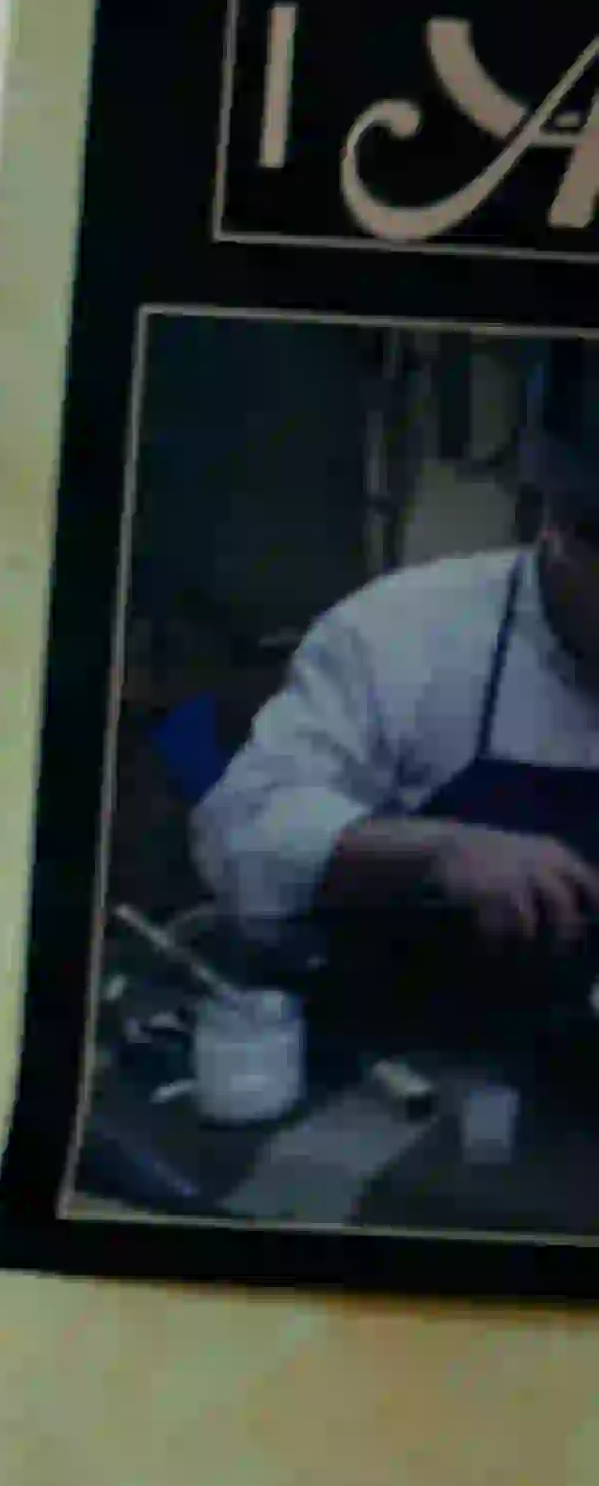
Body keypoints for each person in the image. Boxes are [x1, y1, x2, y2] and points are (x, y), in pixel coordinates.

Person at [195, 344, 599, 1041]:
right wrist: (437, 851)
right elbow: (240, 838)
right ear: (557, 526)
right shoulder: (403, 633)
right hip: (430, 1066)